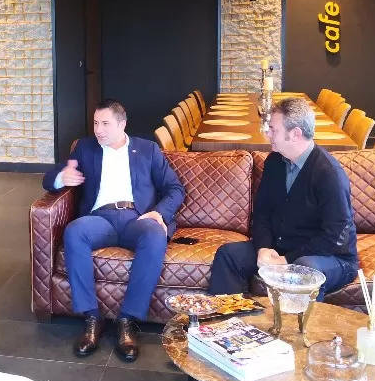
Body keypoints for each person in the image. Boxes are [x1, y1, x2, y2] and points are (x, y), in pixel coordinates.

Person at [43, 100, 185, 362]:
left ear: (122, 124)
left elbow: (175, 188)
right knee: (74, 231)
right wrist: (62, 177)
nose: (99, 130)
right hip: (101, 218)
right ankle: (91, 317)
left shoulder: (148, 149)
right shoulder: (85, 148)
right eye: (96, 123)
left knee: (155, 233)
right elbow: (49, 178)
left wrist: (159, 213)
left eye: (105, 124)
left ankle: (127, 320)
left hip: (137, 218)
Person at [208, 97, 358, 299]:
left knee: (303, 270)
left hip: (330, 257)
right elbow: (262, 212)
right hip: (282, 248)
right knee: (228, 255)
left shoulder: (329, 173)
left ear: (295, 134)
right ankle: (230, 317)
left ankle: (297, 322)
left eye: (273, 130)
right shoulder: (275, 162)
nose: (267, 134)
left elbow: (334, 235)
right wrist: (263, 248)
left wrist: (287, 260)